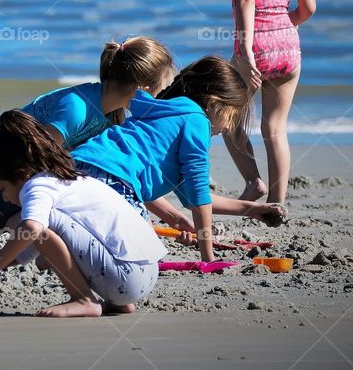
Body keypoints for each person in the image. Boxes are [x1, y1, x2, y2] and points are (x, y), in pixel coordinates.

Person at [0, 110, 166, 317]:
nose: (3, 198)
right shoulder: (66, 178)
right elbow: (31, 248)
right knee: (41, 225)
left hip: (124, 277)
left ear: (20, 174)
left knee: (37, 225)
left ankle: (83, 300)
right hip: (143, 274)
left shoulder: (37, 186)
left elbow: (33, 231)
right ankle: (119, 302)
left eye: (2, 189)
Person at [71, 57, 286, 262]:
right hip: (112, 182)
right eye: (232, 116)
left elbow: (178, 192)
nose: (230, 126)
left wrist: (253, 210)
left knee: (77, 227)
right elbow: (199, 193)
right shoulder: (196, 120)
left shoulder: (163, 113)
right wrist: (207, 255)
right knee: (146, 253)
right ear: (214, 103)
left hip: (77, 168)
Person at [0, 36, 186, 237]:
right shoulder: (76, 109)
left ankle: (1, 218)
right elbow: (32, 158)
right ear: (142, 90)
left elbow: (123, 175)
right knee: (70, 218)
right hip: (2, 183)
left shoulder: (113, 115)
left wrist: (175, 218)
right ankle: (2, 219)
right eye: (159, 93)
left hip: (29, 181)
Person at [222, 0, 316, 203]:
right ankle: (277, 204)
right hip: (288, 47)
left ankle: (254, 182)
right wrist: (282, 24)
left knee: (230, 120)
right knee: (275, 129)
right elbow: (308, 8)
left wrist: (246, 47)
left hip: (255, 47)